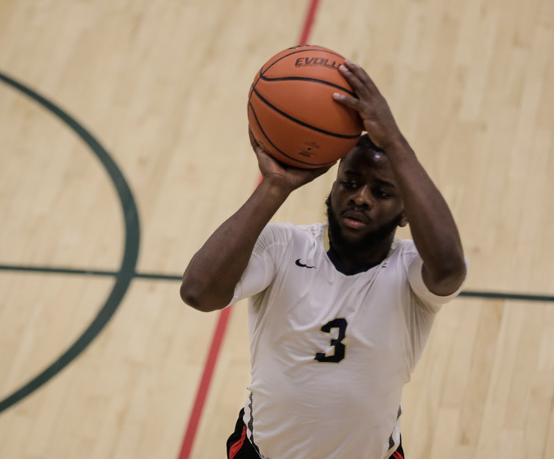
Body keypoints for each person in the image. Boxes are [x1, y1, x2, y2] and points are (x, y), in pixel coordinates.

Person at [180, 59, 467, 459]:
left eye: (382, 192)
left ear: (407, 214)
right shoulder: (283, 248)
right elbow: (198, 292)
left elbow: (451, 268)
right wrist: (275, 186)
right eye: (349, 183)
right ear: (330, 189)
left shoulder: (412, 272)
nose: (361, 197)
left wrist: (396, 142)